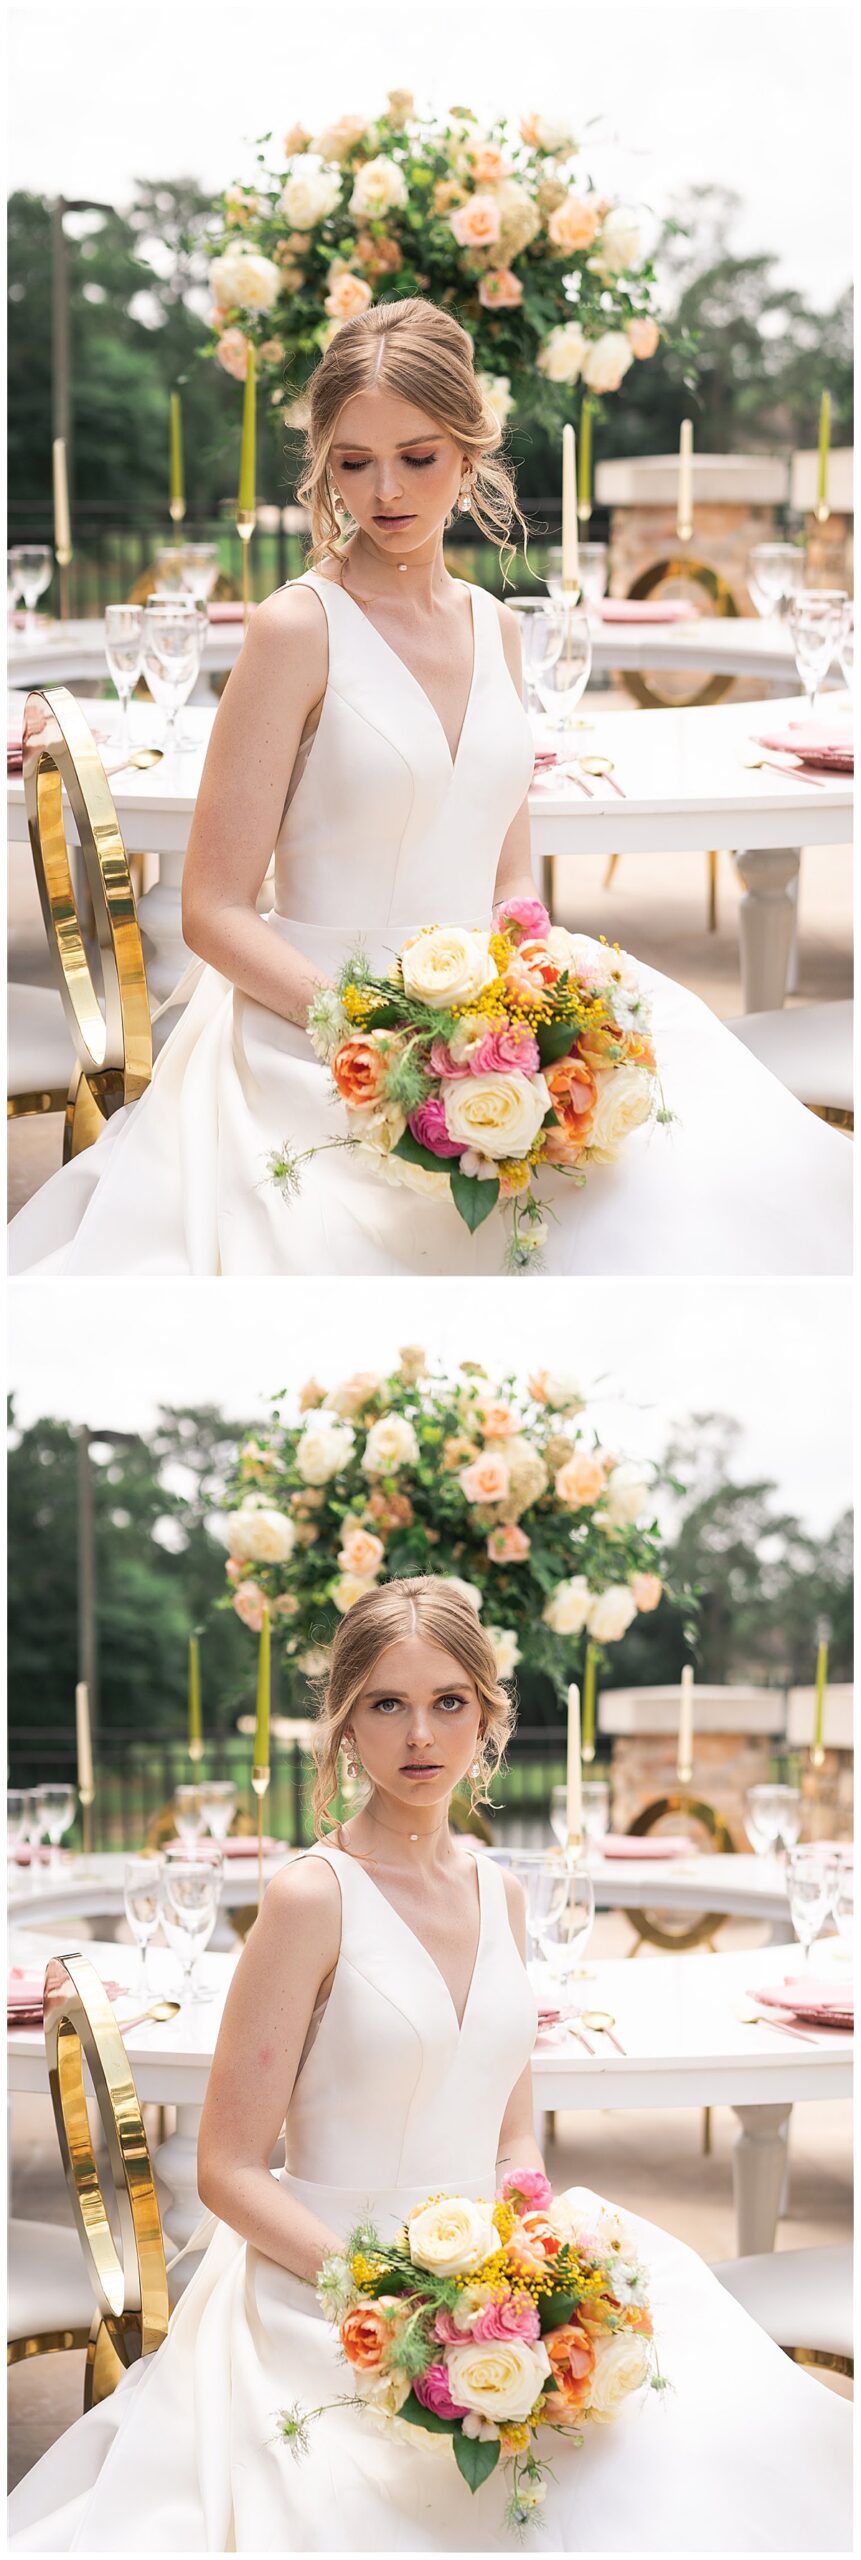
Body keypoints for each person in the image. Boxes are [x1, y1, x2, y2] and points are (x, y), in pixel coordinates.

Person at [9, 298, 850, 1277]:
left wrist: (534, 1011)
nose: (386, 491)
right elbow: (212, 910)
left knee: (704, 1171)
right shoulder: (297, 629)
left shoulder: (496, 625)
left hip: (485, 1024)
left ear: (470, 447)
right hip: (316, 1037)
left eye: (418, 456)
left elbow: (507, 877)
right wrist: (376, 1033)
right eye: (353, 462)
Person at [9, 1577, 850, 2552]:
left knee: (686, 2434)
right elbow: (228, 2168)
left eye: (449, 1701)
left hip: (489, 2274)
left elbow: (512, 2132)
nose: (421, 1735)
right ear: (345, 1724)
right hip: (324, 2286)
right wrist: (382, 2292)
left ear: (488, 1717)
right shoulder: (309, 1897)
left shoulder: (504, 1894)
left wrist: (533, 2265)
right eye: (387, 1704)